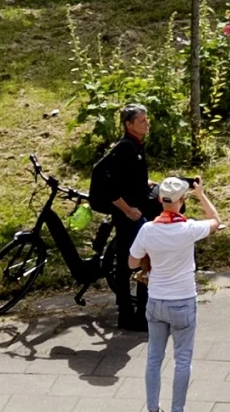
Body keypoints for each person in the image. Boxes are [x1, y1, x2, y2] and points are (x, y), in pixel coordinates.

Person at [133, 177, 219, 412]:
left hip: (156, 300)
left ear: (160, 199)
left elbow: (132, 262)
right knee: (182, 360)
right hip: (183, 301)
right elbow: (215, 220)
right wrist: (201, 194)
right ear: (181, 200)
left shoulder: (148, 229)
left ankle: (153, 408)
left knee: (154, 358)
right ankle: (177, 409)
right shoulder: (189, 228)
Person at [91, 105, 159, 326]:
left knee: (134, 261)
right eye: (141, 121)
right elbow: (108, 184)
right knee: (128, 263)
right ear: (128, 125)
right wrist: (128, 210)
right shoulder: (126, 148)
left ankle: (135, 313)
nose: (146, 124)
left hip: (135, 212)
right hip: (129, 215)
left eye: (146, 119)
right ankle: (128, 315)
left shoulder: (135, 146)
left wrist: (148, 183)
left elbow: (128, 177)